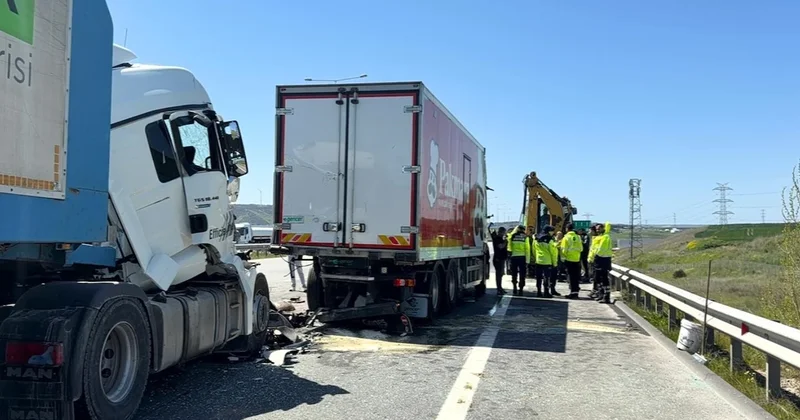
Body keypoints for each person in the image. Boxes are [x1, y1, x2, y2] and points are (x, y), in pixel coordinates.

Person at [589, 222, 614, 304]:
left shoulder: (605, 237)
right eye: (597, 229)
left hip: (603, 260)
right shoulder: (600, 237)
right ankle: (601, 295)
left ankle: (606, 297)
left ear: (603, 228)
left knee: (604, 279)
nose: (597, 230)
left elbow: (600, 249)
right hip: (599, 259)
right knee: (598, 278)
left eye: (599, 229)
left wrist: (596, 255)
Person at [533, 225, 558, 298]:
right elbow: (552, 252)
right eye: (552, 231)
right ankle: (546, 292)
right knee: (546, 277)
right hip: (547, 261)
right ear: (548, 231)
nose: (553, 233)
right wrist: (554, 263)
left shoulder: (536, 238)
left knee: (538, 277)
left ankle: (538, 291)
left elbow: (534, 250)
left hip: (538, 260)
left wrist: (536, 257)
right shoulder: (550, 240)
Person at [506, 225, 531, 296]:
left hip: (514, 257)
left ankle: (514, 287)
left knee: (514, 273)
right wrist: (528, 260)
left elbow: (509, 248)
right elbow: (527, 249)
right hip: (522, 257)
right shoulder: (525, 237)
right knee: (522, 274)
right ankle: (521, 289)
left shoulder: (512, 236)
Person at [560, 223, 583, 299]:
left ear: (567, 229)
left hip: (569, 259)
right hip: (577, 259)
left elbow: (563, 250)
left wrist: (563, 259)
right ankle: (576, 292)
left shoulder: (566, 238)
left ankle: (572, 293)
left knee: (571, 277)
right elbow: (581, 249)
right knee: (576, 277)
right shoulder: (578, 237)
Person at [489, 224, 509, 295]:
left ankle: (500, 288)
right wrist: (506, 242)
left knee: (501, 274)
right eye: (503, 232)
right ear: (501, 232)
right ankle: (499, 289)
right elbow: (500, 246)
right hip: (498, 259)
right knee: (498, 274)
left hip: (501, 258)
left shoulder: (499, 239)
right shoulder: (497, 239)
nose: (504, 234)